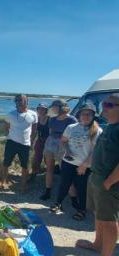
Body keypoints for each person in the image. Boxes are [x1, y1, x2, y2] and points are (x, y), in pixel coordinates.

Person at [76, 93, 119, 256]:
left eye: (109, 105)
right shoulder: (109, 126)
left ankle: (106, 253)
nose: (104, 107)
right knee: (99, 215)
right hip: (96, 179)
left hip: (109, 184)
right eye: (104, 103)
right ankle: (97, 244)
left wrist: (109, 182)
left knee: (109, 220)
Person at [49, 103, 102, 220]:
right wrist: (67, 150)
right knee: (64, 184)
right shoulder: (71, 127)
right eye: (84, 113)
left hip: (85, 166)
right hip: (68, 162)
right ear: (79, 115)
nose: (86, 116)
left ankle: (81, 210)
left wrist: (84, 165)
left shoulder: (97, 131)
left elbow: (95, 151)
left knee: (82, 189)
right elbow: (63, 141)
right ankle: (58, 204)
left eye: (89, 114)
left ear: (93, 115)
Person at [40, 99, 77, 200]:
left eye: (55, 106)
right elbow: (51, 132)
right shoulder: (52, 119)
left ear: (62, 107)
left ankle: (73, 197)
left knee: (65, 173)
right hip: (50, 145)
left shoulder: (72, 120)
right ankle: (48, 192)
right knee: (49, 169)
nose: (53, 108)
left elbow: (74, 136)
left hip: (63, 147)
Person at [0, 94, 38, 192]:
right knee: (6, 163)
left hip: (25, 145)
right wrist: (10, 135)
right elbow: (5, 127)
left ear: (26, 101)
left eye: (20, 100)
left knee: (25, 166)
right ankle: (4, 182)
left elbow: (34, 130)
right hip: (11, 143)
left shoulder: (33, 114)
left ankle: (23, 185)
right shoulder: (10, 114)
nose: (18, 102)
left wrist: (32, 142)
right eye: (16, 100)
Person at [29, 103, 49, 181]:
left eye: (43, 109)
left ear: (46, 110)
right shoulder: (36, 119)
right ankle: (34, 174)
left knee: (48, 158)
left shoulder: (50, 119)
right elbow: (34, 132)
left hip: (49, 140)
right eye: (39, 109)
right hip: (40, 140)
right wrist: (31, 141)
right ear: (37, 110)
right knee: (37, 157)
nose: (41, 110)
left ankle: (48, 174)